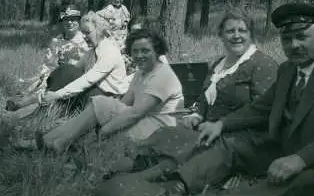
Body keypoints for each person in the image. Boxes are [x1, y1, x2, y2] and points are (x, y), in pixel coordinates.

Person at [158, 3, 314, 196]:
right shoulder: (288, 69)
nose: (294, 45)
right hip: (289, 150)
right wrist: (221, 124)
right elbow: (261, 107)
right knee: (233, 144)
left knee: (305, 180)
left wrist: (301, 159)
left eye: (302, 37)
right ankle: (177, 186)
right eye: (287, 39)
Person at [99, 9, 279, 190]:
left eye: (242, 30)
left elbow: (263, 111)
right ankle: (131, 168)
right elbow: (203, 99)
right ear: (221, 35)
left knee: (192, 146)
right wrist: (197, 115)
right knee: (168, 133)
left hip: (243, 139)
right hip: (211, 130)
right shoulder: (219, 64)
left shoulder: (262, 65)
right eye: (230, 31)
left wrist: (222, 124)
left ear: (251, 34)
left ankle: (142, 181)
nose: (236, 36)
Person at [11, 28, 185, 153]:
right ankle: (50, 141)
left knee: (102, 107)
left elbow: (135, 114)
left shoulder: (163, 75)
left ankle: (57, 142)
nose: (139, 56)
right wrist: (102, 117)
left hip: (156, 131)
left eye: (145, 51)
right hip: (142, 123)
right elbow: (124, 103)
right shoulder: (142, 73)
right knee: (100, 106)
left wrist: (103, 131)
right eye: (136, 51)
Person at [5, 4, 89, 112]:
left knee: (54, 94)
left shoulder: (86, 40)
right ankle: (21, 104)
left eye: (73, 19)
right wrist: (45, 77)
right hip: (57, 76)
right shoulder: (57, 41)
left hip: (77, 77)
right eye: (66, 19)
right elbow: (49, 64)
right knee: (43, 85)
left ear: (79, 21)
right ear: (62, 22)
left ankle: (23, 105)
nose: (69, 22)